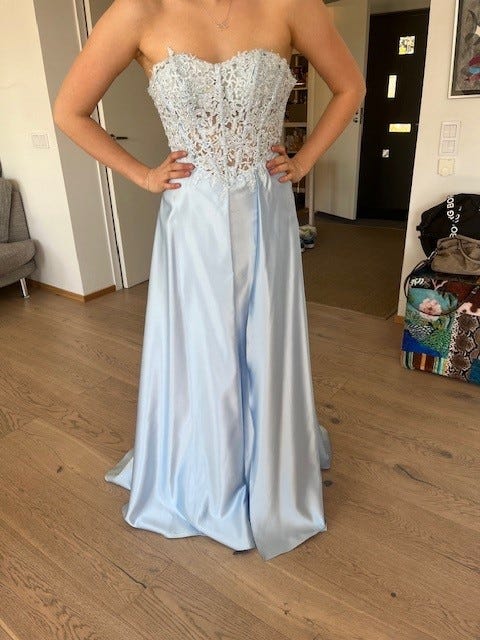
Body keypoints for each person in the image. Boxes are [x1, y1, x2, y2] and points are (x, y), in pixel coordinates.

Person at [53, 0, 366, 561]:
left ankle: (272, 469)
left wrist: (302, 161)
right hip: (192, 217)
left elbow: (350, 87)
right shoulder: (138, 10)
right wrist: (142, 175)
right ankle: (207, 478)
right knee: (203, 347)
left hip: (266, 211)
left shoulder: (292, 4)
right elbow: (69, 110)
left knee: (266, 339)